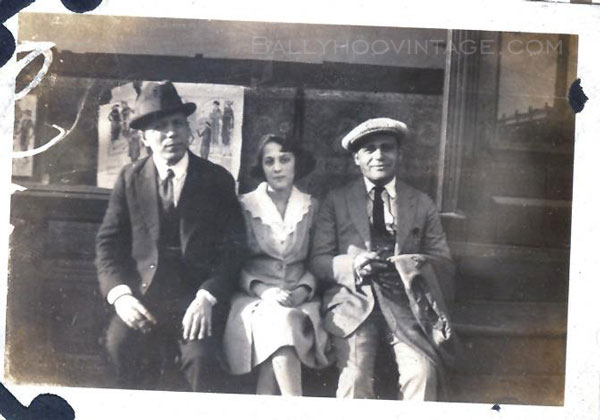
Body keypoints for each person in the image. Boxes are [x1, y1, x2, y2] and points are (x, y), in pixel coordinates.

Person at [96, 81, 247, 392]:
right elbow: (108, 245)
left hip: (195, 301)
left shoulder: (216, 179)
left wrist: (207, 297)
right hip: (142, 298)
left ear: (188, 129)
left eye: (177, 124)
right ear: (144, 137)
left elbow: (234, 250)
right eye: (160, 127)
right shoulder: (129, 178)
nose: (171, 133)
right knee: (118, 348)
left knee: (202, 362)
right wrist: (121, 297)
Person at [310, 118, 457, 401]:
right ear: (357, 158)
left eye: (387, 148)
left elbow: (444, 262)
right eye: (370, 149)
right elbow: (318, 260)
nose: (379, 156)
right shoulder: (336, 201)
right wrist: (352, 265)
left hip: (406, 307)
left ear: (398, 154)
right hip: (354, 304)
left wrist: (410, 265)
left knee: (422, 375)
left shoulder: (421, 202)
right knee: (354, 379)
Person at [223, 134, 330, 396]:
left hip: (301, 299)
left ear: (296, 164)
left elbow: (318, 258)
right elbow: (231, 262)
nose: (277, 168)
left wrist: (304, 290)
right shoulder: (245, 206)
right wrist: (263, 290)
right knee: (282, 326)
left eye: (284, 159)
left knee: (283, 333)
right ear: (261, 167)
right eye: (269, 161)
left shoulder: (312, 207)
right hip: (254, 299)